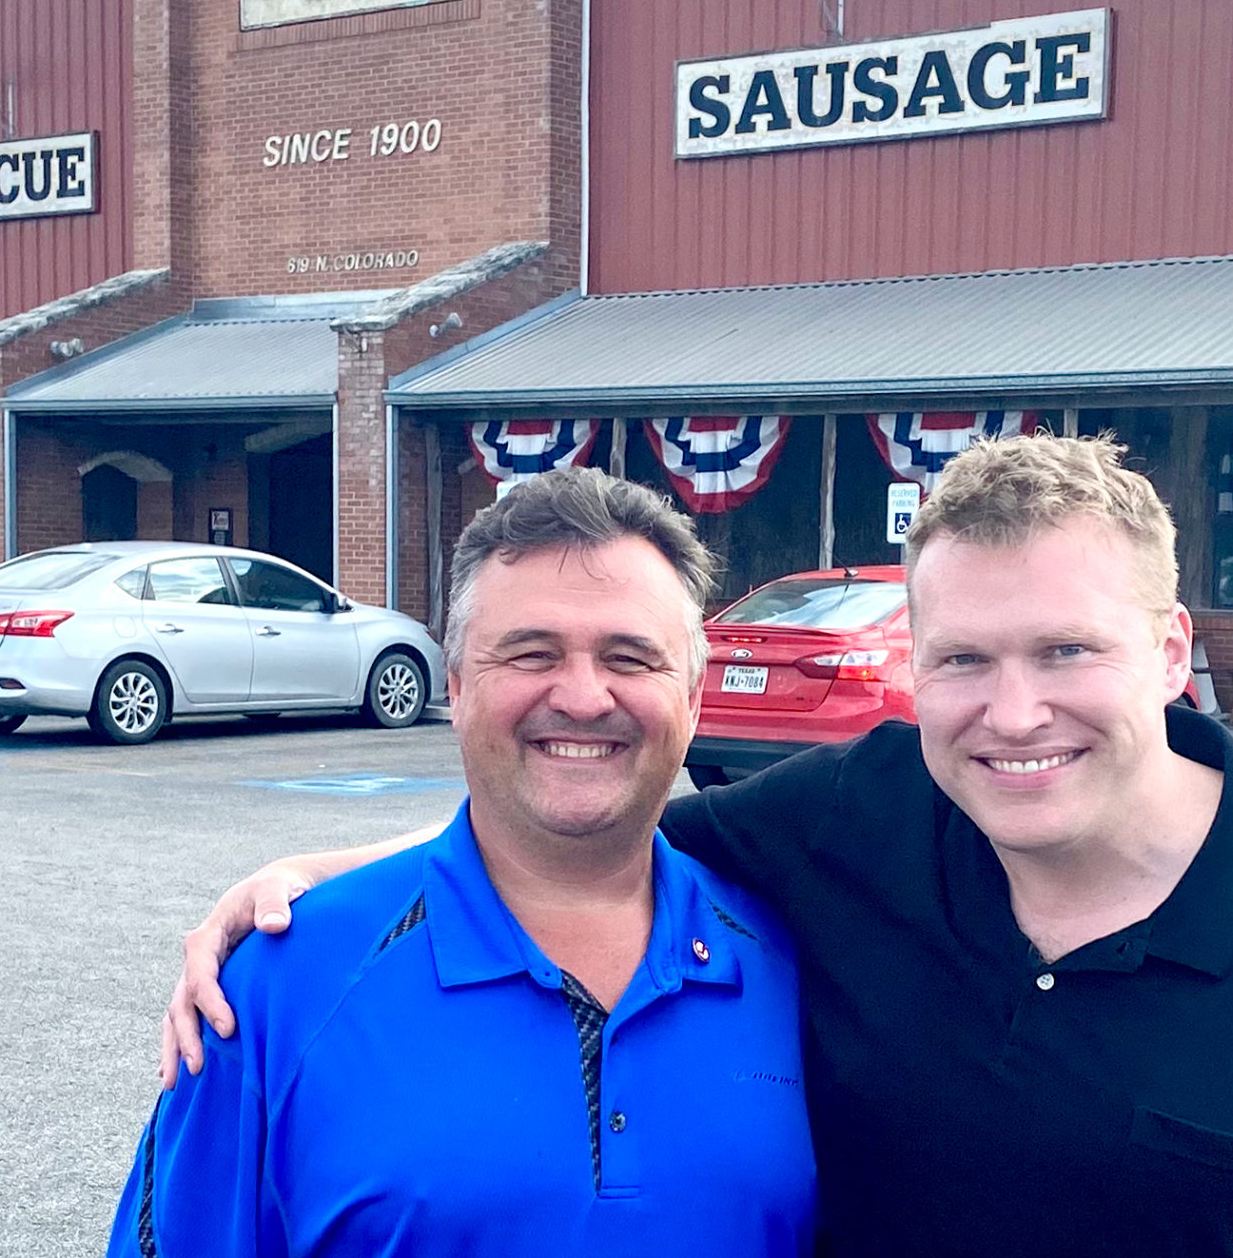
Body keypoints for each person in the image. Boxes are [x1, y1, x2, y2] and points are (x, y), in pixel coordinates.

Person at [164, 436, 1233, 1258]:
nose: (1013, 715)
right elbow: (583, 820)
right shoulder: (855, 831)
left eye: (1066, 652)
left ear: (1170, 650)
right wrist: (314, 903)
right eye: (961, 660)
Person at [110, 469, 815, 1256]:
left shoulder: (796, 965)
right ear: (455, 683)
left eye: (629, 657)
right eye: (530, 652)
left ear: (691, 699)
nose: (583, 696)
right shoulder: (277, 988)